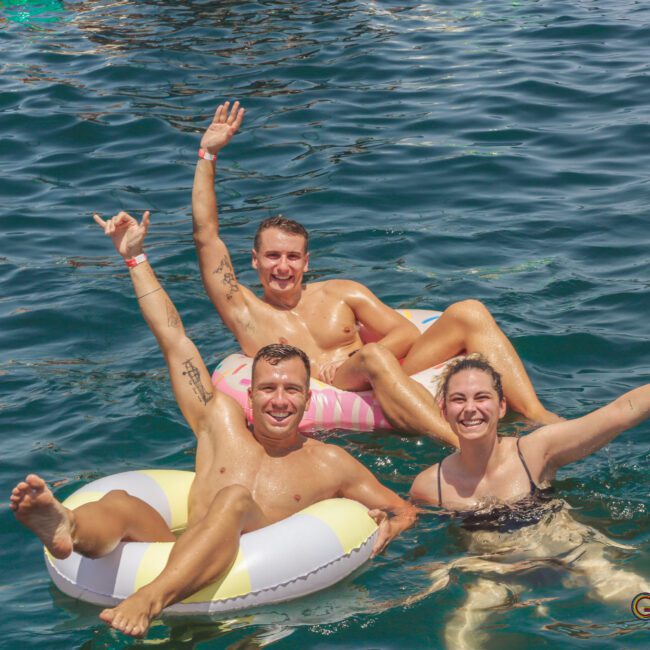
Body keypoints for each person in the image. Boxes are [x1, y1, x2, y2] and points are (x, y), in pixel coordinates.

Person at [10, 210, 416, 639]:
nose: (279, 401)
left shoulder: (330, 462)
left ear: (308, 398)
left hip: (250, 591)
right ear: (251, 393)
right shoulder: (219, 424)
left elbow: (404, 509)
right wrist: (136, 260)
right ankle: (67, 527)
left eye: (292, 390)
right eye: (268, 389)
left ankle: (151, 599)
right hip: (179, 558)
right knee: (120, 499)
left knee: (234, 500)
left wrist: (394, 524)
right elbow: (174, 340)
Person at [191, 101, 561, 446]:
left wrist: (367, 360)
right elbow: (206, 237)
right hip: (335, 386)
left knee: (470, 311)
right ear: (254, 260)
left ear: (307, 262)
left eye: (292, 257)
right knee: (374, 359)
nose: (283, 267)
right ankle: (464, 446)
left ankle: (538, 417)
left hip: (377, 372)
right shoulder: (245, 312)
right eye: (272, 257)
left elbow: (404, 331)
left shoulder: (341, 293)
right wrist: (208, 155)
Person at [409, 354, 649, 647]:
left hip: (571, 556)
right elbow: (425, 543)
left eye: (481, 397)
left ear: (501, 406)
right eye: (459, 399)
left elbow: (622, 410)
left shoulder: (535, 452)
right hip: (495, 573)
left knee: (638, 598)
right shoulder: (429, 485)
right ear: (443, 409)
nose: (470, 409)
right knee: (459, 636)